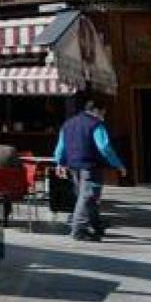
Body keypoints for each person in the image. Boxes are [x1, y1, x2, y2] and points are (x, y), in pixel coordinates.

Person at [53, 98, 126, 242]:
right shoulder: (96, 124)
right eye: (103, 112)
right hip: (90, 166)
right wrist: (118, 164)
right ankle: (78, 230)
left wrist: (59, 163)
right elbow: (104, 147)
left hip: (73, 166)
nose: (104, 115)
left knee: (85, 196)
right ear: (96, 111)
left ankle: (96, 224)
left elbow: (60, 147)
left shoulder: (68, 124)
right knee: (87, 196)